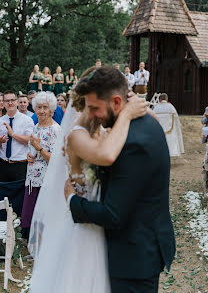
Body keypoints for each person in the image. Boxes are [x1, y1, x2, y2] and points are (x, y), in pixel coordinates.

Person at [29, 66, 175, 293]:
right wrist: (128, 111)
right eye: (89, 107)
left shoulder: (130, 141)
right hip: (115, 242)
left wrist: (71, 201)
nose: (93, 113)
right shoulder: (138, 126)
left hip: (132, 253)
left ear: (117, 102)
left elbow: (113, 212)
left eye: (96, 107)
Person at [21, 91, 61, 240]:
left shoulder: (55, 130)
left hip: (47, 183)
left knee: (46, 216)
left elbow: (55, 160)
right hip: (32, 180)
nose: (42, 111)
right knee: (32, 216)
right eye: (39, 107)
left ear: (51, 110)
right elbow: (34, 151)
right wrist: (30, 156)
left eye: (45, 107)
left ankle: (46, 251)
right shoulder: (35, 126)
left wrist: (38, 148)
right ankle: (35, 251)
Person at [0, 91, 34, 182]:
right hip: (3, 164)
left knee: (20, 194)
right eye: (7, 101)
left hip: (20, 165)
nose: (10, 103)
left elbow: (30, 140)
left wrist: (13, 135)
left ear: (17, 101)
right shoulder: (0, 121)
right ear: (3, 103)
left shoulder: (27, 120)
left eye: (12, 100)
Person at [153, 93, 184, 157]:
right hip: (170, 129)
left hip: (159, 130)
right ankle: (172, 152)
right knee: (171, 138)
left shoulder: (156, 107)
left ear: (160, 99)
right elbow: (176, 118)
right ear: (167, 99)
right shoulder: (171, 107)